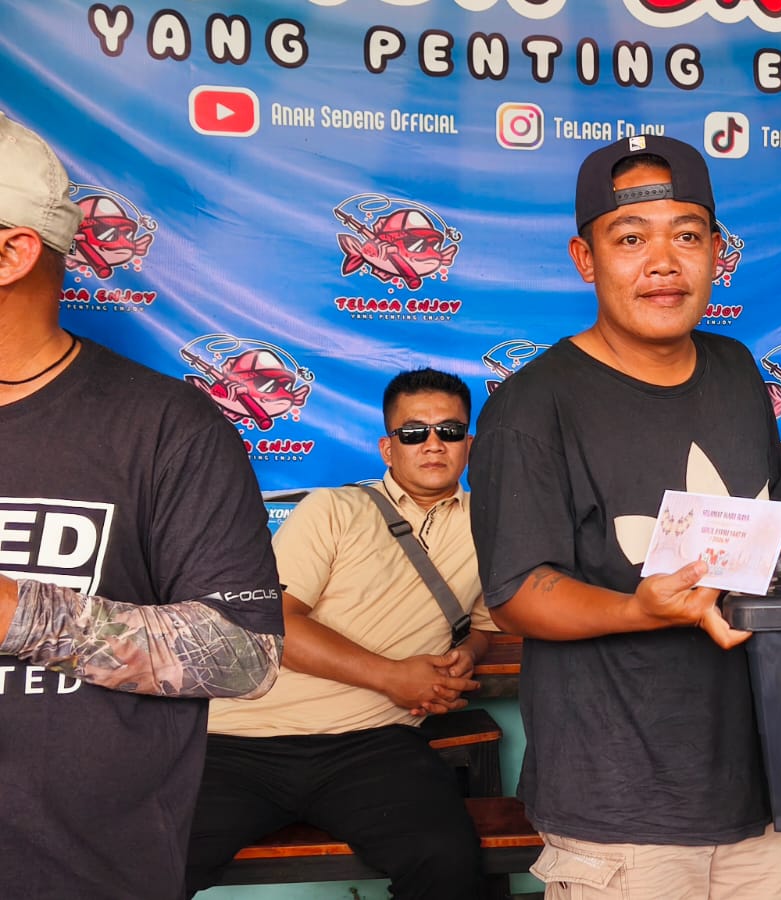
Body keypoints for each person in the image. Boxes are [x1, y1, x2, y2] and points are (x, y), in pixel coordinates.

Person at [469, 135, 781, 900]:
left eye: (687, 236)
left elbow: (759, 522)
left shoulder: (736, 369)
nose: (663, 262)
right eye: (630, 239)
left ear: (716, 253)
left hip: (761, 789)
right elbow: (516, 593)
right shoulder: (531, 407)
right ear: (585, 259)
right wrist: (639, 610)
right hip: (619, 807)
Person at [0, 112, 284, 897]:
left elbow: (245, 654)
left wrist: (19, 614)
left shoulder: (165, 426)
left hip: (77, 876)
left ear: (12, 253)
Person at [185, 368, 496, 899]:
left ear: (469, 445)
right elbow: (274, 624)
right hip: (242, 743)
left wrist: (467, 652)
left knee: (446, 861)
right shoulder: (335, 508)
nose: (432, 444)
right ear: (388, 448)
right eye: (413, 432)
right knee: (140, 858)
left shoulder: (489, 526)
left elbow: (486, 624)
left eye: (449, 431)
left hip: (373, 744)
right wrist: (393, 677)